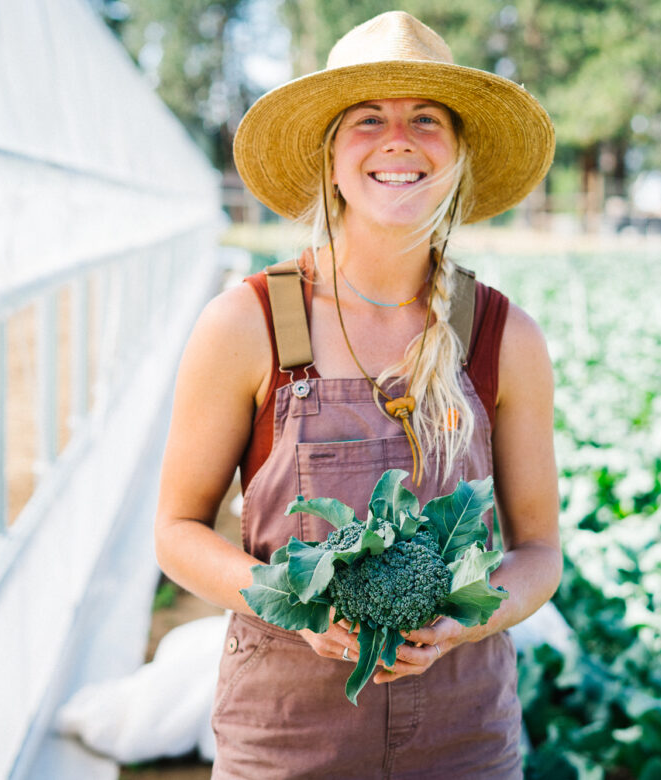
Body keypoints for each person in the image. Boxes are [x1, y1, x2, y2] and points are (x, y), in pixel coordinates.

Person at [154, 11, 561, 778]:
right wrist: (291, 598)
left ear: (459, 156)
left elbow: (540, 552)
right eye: (369, 118)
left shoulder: (505, 336)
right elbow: (176, 530)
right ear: (332, 157)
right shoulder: (250, 323)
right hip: (286, 733)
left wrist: (466, 625)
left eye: (426, 120)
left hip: (464, 735)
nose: (398, 138)